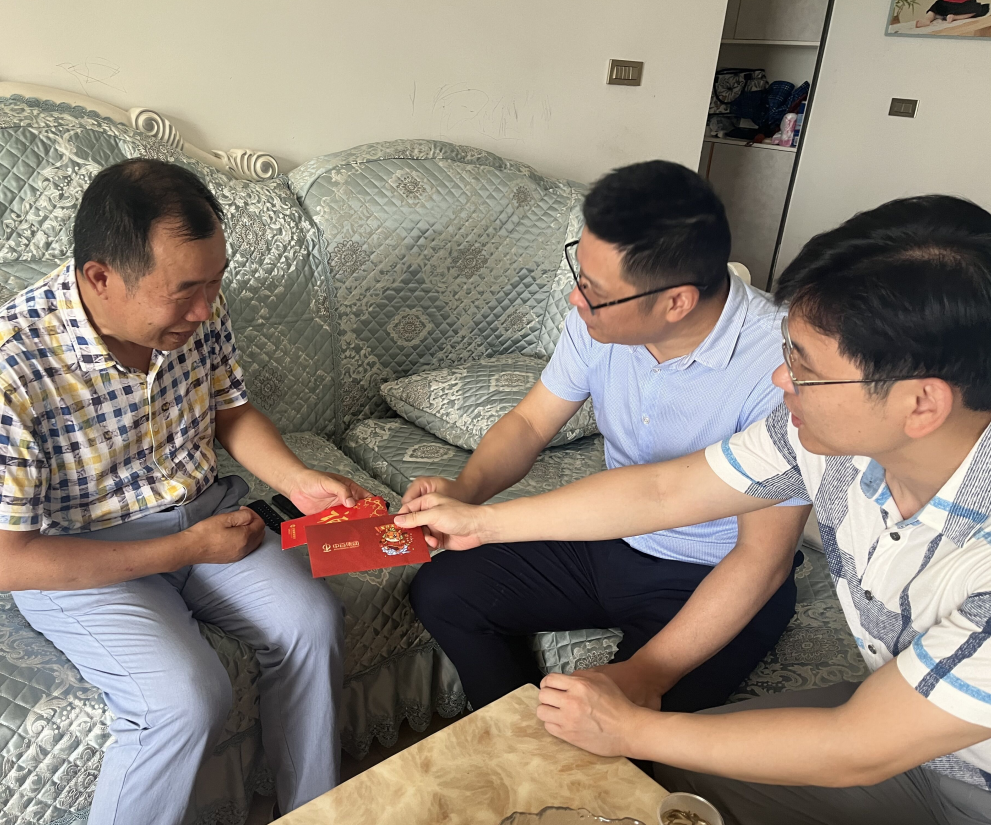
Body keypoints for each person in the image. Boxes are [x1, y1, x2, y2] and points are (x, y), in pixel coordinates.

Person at [395, 194, 991, 825]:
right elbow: (664, 492)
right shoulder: (823, 440)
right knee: (679, 784)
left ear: (921, 404)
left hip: (946, 768)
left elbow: (855, 746)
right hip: (914, 733)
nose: (781, 379)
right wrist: (480, 520)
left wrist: (629, 725)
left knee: (642, 767)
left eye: (805, 368)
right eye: (789, 351)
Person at [0, 159, 364, 823]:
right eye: (184, 291)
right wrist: (186, 548)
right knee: (184, 698)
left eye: (215, 281)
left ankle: (310, 813)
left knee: (312, 624)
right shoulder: (9, 362)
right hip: (79, 556)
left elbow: (231, 411)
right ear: (100, 277)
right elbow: (4, 563)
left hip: (202, 516)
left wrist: (298, 479)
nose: (205, 309)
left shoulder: (198, 309)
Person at [406, 160, 810, 714]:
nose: (577, 300)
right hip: (609, 536)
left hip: (714, 571)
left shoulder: (784, 369)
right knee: (444, 591)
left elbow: (761, 557)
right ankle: (518, 734)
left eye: (595, 291)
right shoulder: (599, 320)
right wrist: (464, 492)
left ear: (676, 301)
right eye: (580, 275)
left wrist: (646, 673)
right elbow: (530, 423)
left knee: (630, 733)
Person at [916, 0, 988, 28]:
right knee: (978, 9)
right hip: (962, 6)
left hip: (946, 5)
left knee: (935, 8)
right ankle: (954, 17)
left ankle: (927, 19)